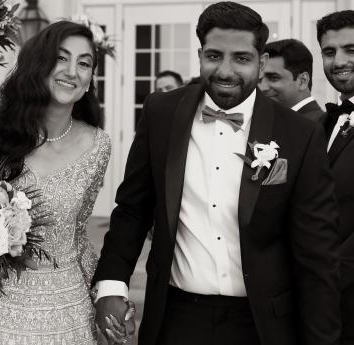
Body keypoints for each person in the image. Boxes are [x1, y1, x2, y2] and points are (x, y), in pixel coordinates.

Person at [93, 2, 340, 345]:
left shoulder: (299, 134)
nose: (225, 71)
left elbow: (317, 253)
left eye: (241, 58)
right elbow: (133, 210)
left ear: (261, 61)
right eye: (214, 56)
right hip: (176, 318)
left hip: (262, 324)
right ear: (199, 54)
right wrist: (111, 284)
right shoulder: (161, 113)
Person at [0, 21, 111, 345]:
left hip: (63, 306)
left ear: (89, 81)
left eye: (84, 63)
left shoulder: (99, 145)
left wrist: (103, 291)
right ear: (39, 64)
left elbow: (78, 230)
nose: (72, 71)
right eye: (61, 58)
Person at [317, 10, 354, 344]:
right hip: (326, 310)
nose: (339, 61)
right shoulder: (325, 124)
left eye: (351, 50)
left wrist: (323, 279)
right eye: (329, 52)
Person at [259, 39, 326, 124]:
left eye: (273, 78)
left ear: (302, 81)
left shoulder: (319, 127)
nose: (262, 88)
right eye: (259, 80)